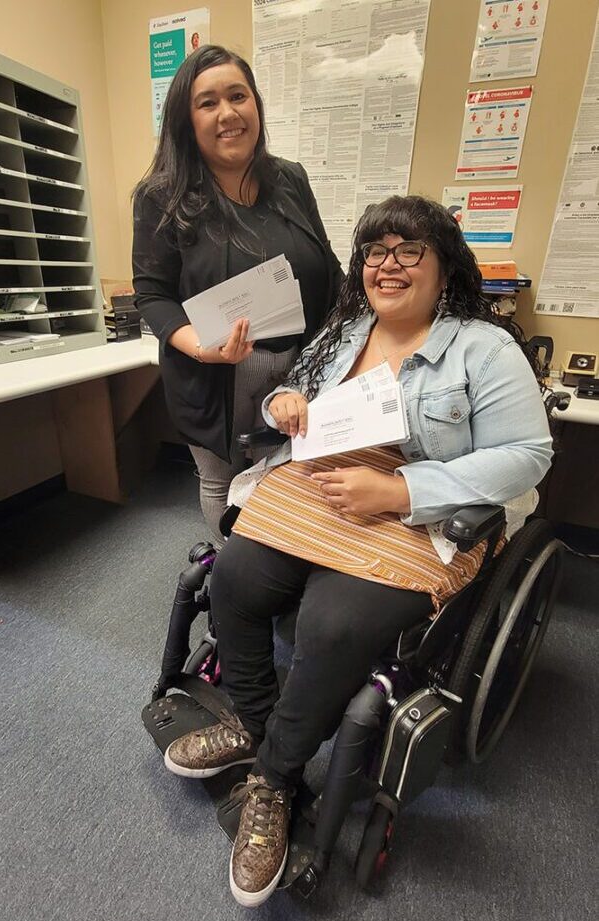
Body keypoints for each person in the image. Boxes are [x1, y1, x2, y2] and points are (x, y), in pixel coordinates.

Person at [161, 195, 554, 907]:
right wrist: (280, 403)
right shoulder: (342, 331)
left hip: (416, 509)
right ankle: (251, 722)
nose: (388, 264)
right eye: (375, 251)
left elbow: (527, 456)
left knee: (330, 626)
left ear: (443, 267)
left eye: (409, 250)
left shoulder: (482, 347)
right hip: (321, 488)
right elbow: (288, 396)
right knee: (236, 580)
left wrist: (399, 490)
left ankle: (274, 779)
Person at [132, 45, 343, 543]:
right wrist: (200, 347)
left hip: (298, 363)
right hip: (213, 371)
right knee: (221, 480)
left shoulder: (289, 178)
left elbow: (327, 267)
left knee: (292, 472)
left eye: (237, 96)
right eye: (208, 103)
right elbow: (152, 294)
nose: (227, 113)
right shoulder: (162, 195)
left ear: (256, 105)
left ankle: (275, 566)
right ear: (187, 119)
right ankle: (233, 576)